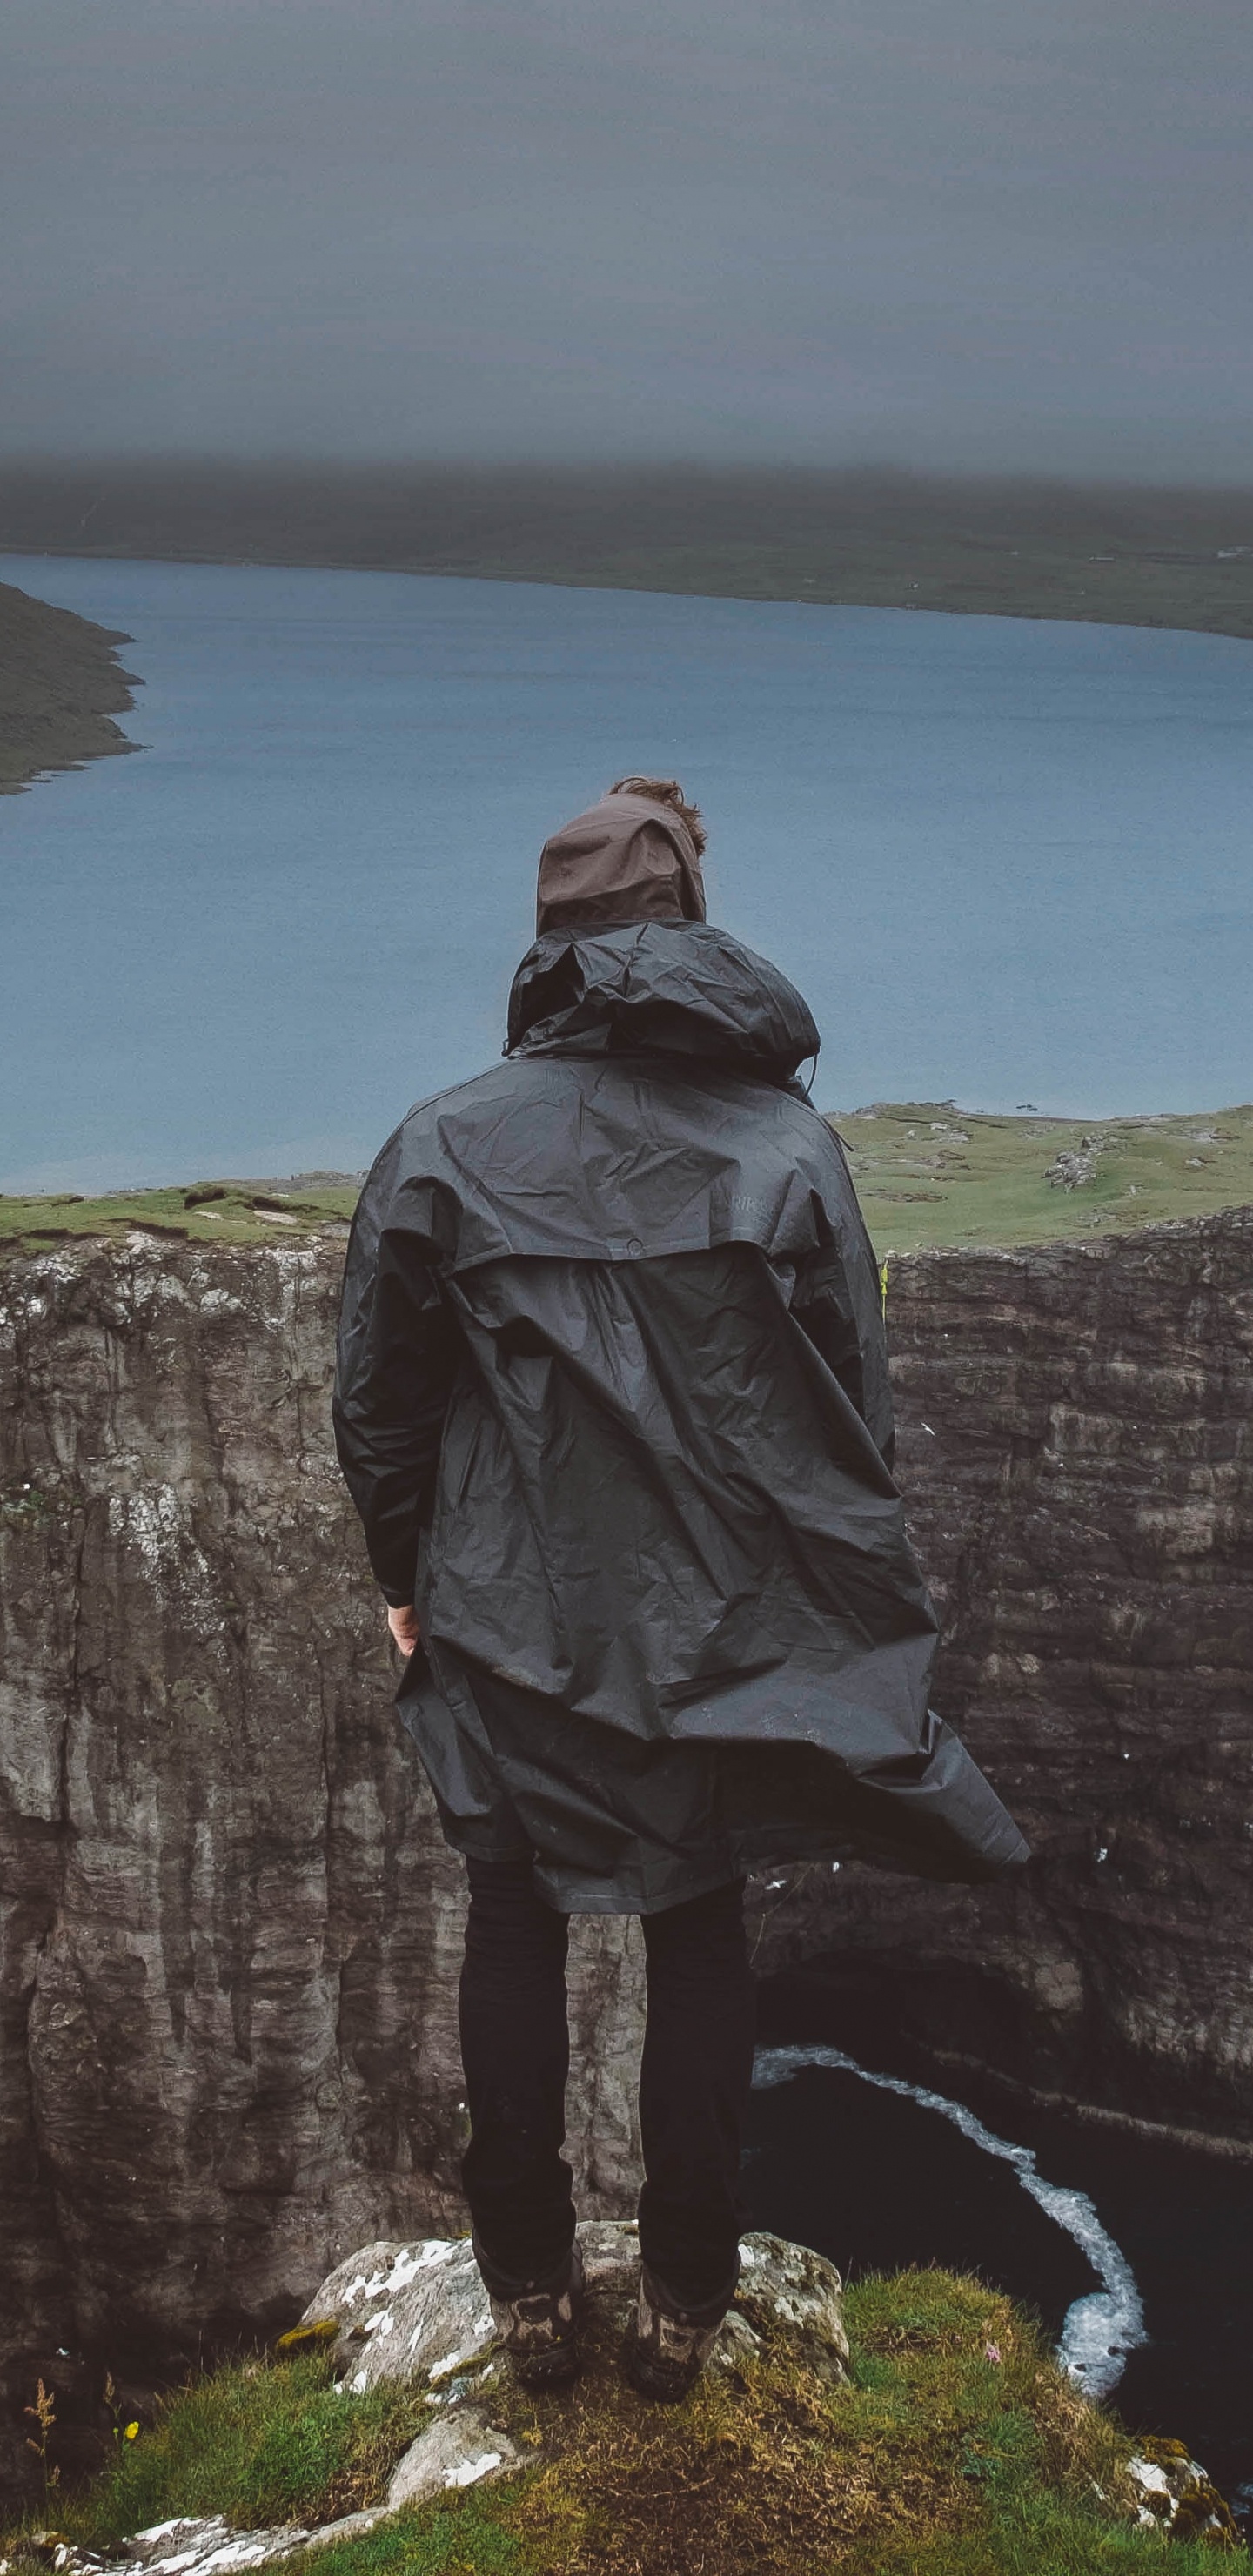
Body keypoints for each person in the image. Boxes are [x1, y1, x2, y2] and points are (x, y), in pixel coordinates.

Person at [333, 776, 1028, 2403]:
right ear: (691, 926)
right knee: (698, 1922)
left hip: (507, 1617)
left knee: (513, 1912)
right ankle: (685, 2300)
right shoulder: (787, 1146)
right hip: (725, 1633)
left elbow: (381, 1404)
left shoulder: (442, 1144)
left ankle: (526, 2287)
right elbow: (854, 1409)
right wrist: (807, 1606)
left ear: (551, 939)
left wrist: (406, 1578)